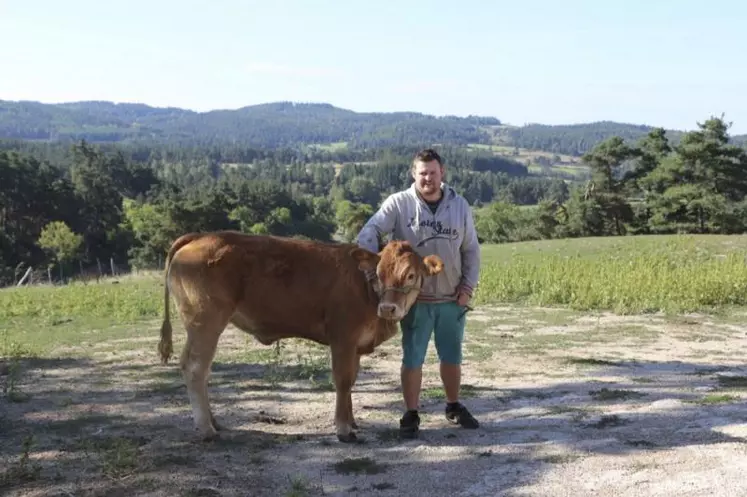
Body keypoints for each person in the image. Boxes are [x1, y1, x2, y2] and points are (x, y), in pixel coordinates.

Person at [356, 148, 481, 439]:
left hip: (452, 297)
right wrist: (376, 275)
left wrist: (467, 287)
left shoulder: (459, 205)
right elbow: (369, 231)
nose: (428, 178)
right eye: (422, 173)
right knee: (413, 358)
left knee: (452, 355)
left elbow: (471, 249)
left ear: (442, 173)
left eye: (433, 173)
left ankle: (453, 406)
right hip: (413, 302)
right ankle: (411, 414)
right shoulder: (398, 204)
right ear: (414, 174)